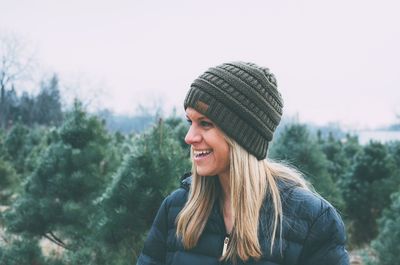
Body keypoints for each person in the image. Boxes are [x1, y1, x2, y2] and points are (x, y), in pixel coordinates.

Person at [136, 62, 349, 265]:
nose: (189, 137)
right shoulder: (176, 208)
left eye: (205, 123)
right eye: (190, 122)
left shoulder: (312, 220)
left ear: (242, 137)